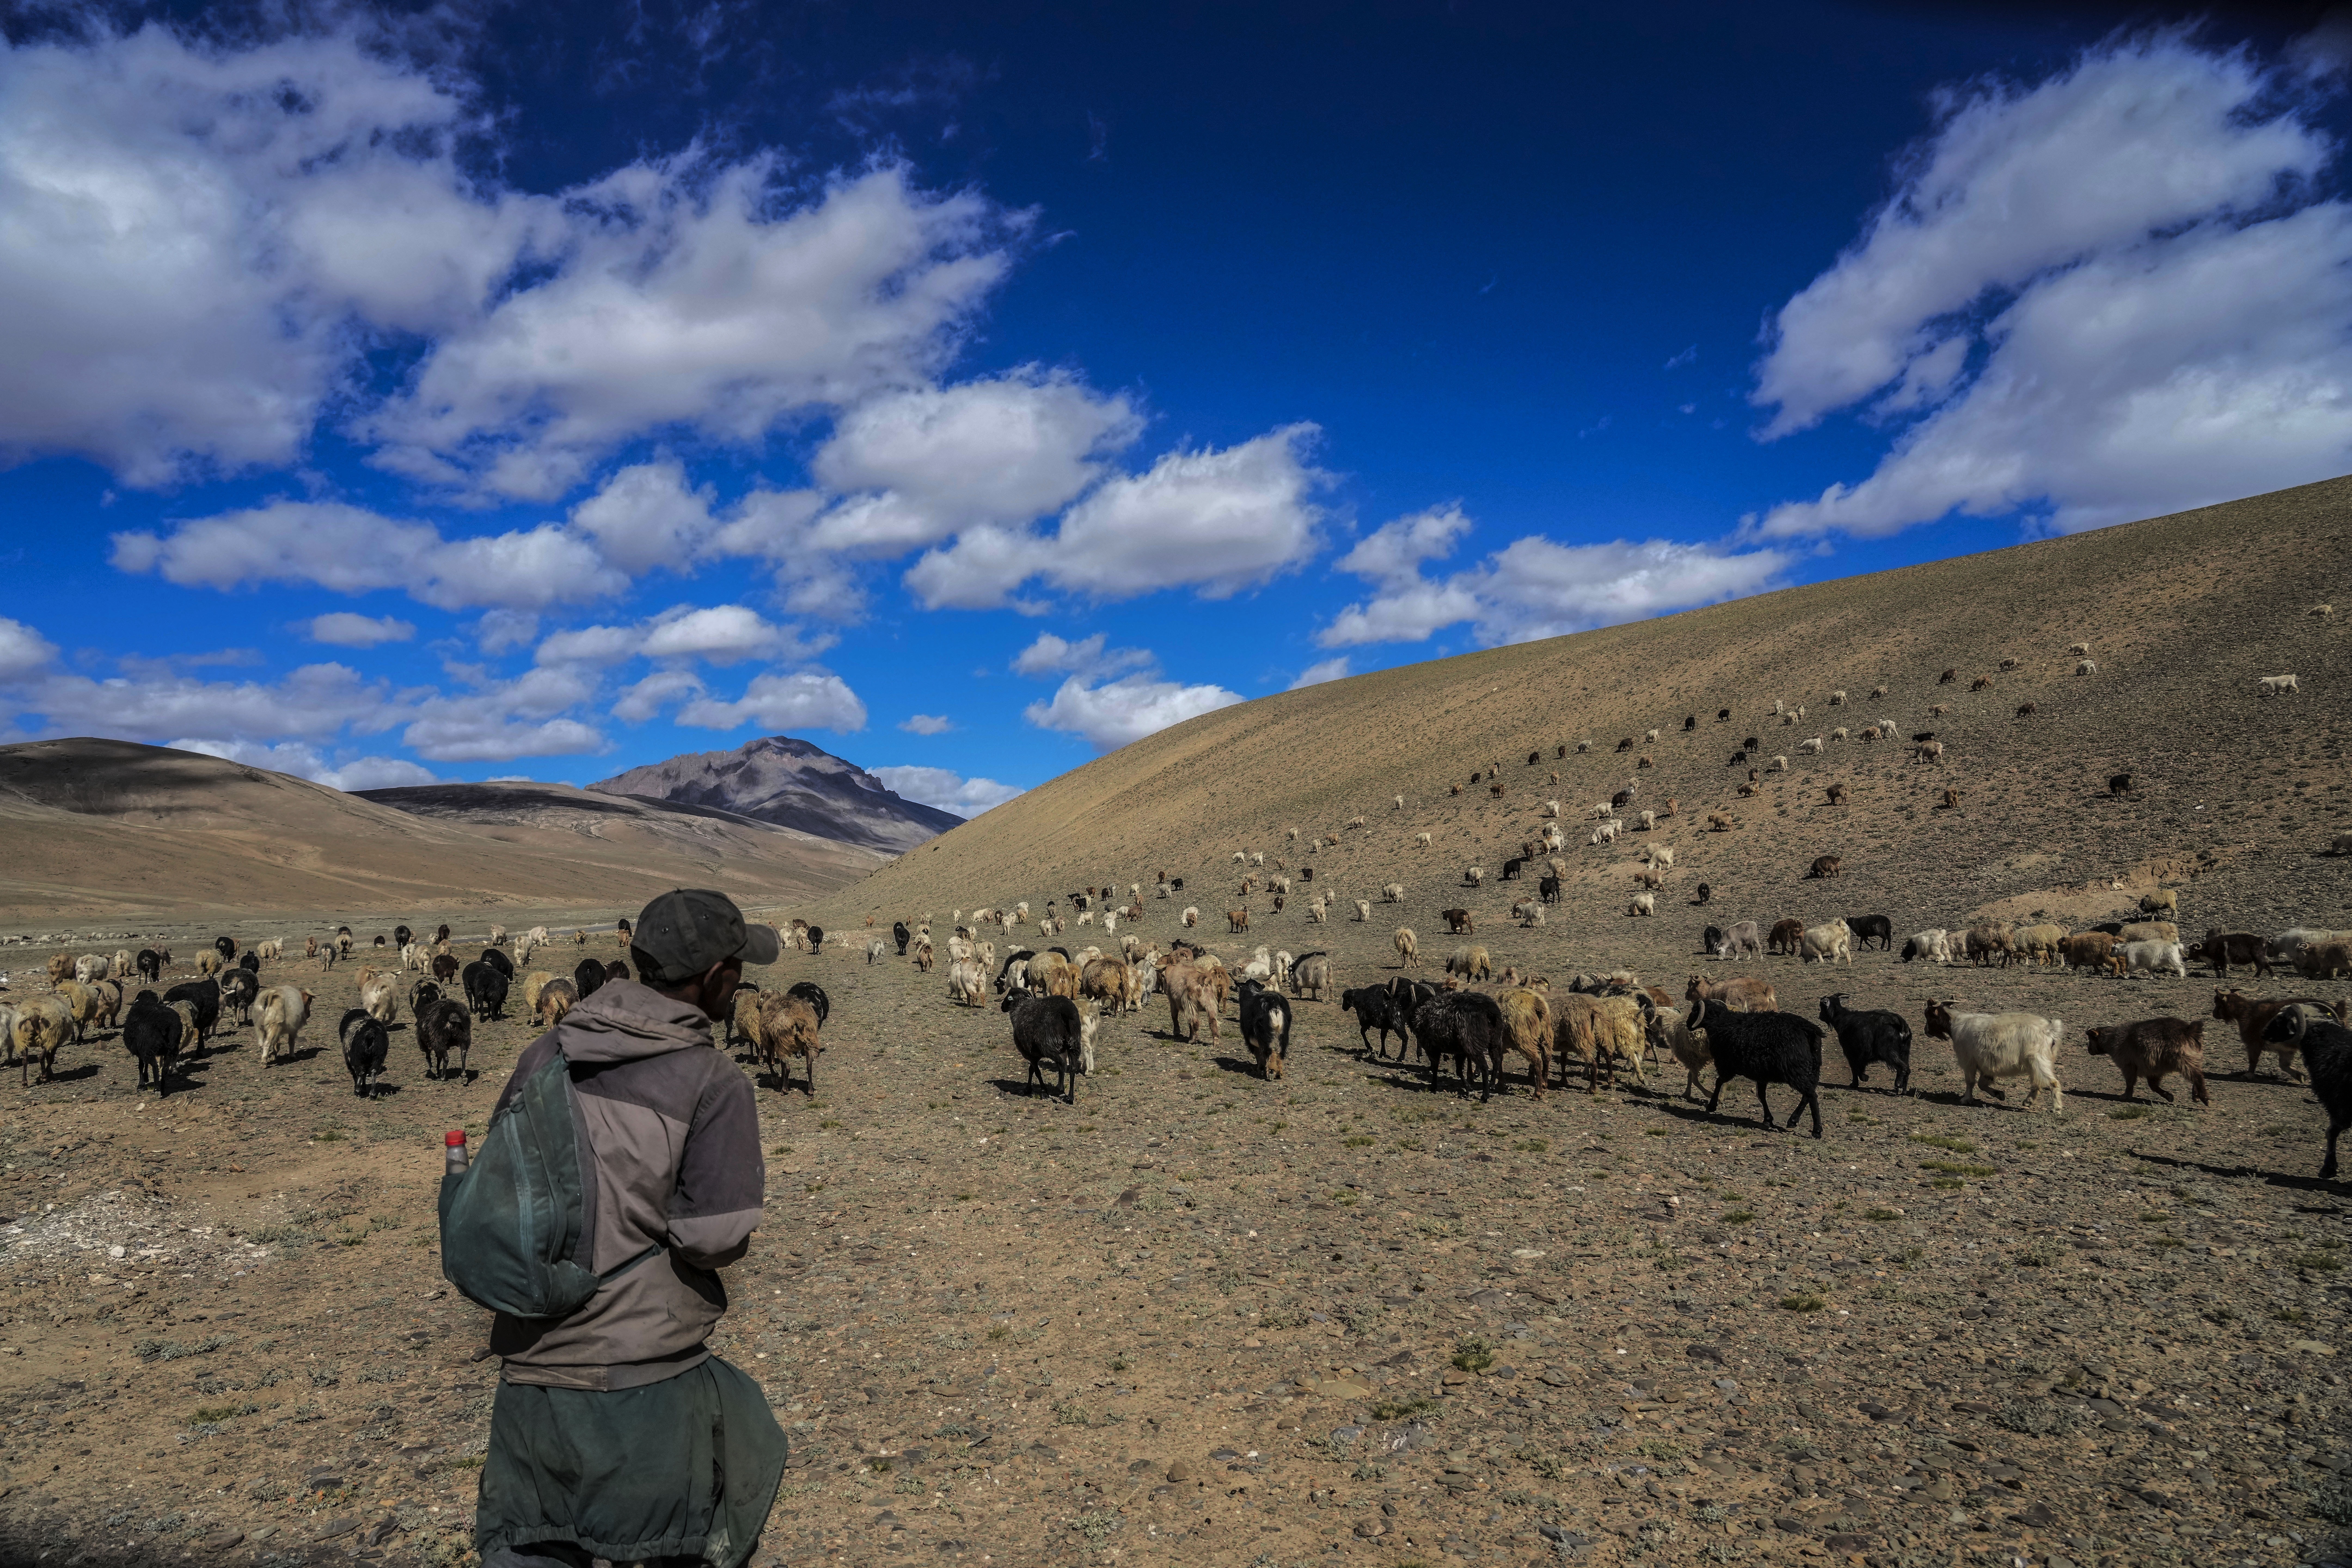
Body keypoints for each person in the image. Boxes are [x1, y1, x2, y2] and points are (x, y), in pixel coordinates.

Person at [474, 889, 786, 1568]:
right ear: (716, 977)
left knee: (535, 1546)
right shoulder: (713, 1081)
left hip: (531, 1377)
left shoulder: (543, 1055)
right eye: (737, 969)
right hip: (644, 1382)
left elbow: (500, 1184)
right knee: (674, 1542)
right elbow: (714, 1238)